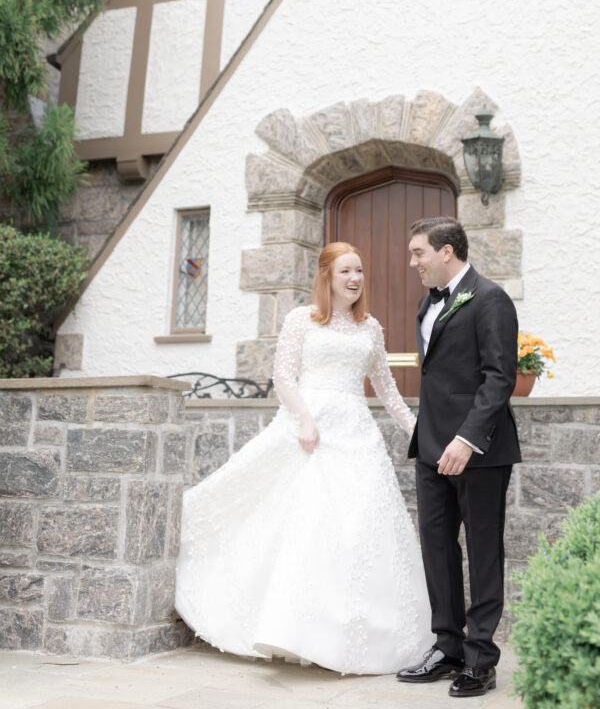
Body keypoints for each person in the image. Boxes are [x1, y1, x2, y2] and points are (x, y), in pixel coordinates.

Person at [175, 241, 433, 675]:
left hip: (356, 434)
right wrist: (305, 420)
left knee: (361, 526)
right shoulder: (301, 320)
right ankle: (290, 627)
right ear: (327, 277)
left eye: (360, 271)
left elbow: (386, 388)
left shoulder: (370, 327)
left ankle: (351, 630)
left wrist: (416, 428)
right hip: (311, 429)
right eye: (346, 272)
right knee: (306, 523)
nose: (355, 279)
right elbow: (283, 377)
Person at [396, 217, 521, 698]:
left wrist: (467, 439)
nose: (413, 263)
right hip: (430, 449)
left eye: (418, 253)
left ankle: (481, 659)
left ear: (446, 251)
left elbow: (499, 377)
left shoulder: (490, 298)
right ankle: (446, 648)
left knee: (483, 551)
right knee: (437, 547)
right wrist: (431, 437)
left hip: (479, 452)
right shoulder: (428, 303)